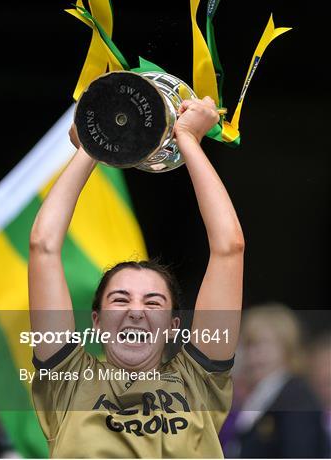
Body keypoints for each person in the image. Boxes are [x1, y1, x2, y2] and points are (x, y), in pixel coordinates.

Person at [28, 96, 245, 458]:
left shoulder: (199, 382)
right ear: (96, 321)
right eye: (120, 299)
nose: (135, 311)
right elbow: (43, 246)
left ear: (175, 325)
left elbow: (229, 249)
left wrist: (188, 140)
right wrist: (94, 147)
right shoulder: (67, 381)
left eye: (153, 302)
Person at [230, 304, 328, 458]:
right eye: (248, 346)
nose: (254, 355)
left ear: (287, 347)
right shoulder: (263, 396)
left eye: (263, 345)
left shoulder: (297, 398)